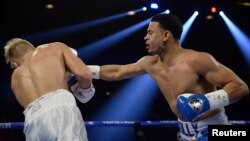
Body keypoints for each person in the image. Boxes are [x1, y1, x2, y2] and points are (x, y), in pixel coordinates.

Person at [87, 14, 249, 141]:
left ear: (165, 35)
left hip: (218, 130)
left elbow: (240, 87)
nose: (145, 37)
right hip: (186, 134)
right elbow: (117, 71)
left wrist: (202, 103)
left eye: (150, 32)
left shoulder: (197, 60)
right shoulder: (150, 63)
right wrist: (83, 70)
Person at [3, 38, 95, 141]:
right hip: (61, 112)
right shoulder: (54, 48)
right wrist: (85, 90)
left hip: (32, 122)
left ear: (14, 63)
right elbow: (84, 74)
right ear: (31, 48)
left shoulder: (14, 79)